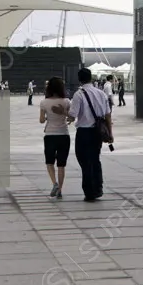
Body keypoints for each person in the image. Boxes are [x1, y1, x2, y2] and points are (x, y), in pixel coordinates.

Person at [67, 67, 112, 202]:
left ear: (79, 80)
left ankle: (89, 191)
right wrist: (110, 133)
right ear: (91, 77)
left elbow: (72, 116)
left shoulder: (79, 94)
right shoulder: (101, 94)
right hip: (98, 132)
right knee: (95, 159)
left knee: (84, 161)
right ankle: (98, 188)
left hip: (84, 132)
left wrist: (62, 111)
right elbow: (108, 115)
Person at [40, 77, 71, 199]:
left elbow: (41, 120)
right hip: (64, 134)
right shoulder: (67, 101)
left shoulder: (44, 102)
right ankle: (60, 189)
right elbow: (71, 117)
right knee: (61, 165)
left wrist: (49, 117)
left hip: (50, 135)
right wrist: (63, 113)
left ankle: (55, 184)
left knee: (49, 162)